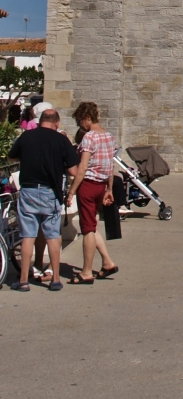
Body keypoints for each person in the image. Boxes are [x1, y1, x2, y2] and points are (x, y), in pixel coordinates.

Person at [7, 106, 78, 291]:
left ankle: (23, 280)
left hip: (29, 189)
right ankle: (55, 279)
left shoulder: (26, 137)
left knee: (28, 236)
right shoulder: (61, 140)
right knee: (53, 235)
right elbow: (73, 170)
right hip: (50, 192)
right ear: (57, 122)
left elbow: (10, 157)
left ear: (39, 121)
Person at [65, 102, 118, 283]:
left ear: (87, 117)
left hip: (88, 185)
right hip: (101, 184)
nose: (80, 124)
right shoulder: (109, 137)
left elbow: (82, 168)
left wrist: (71, 192)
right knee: (92, 225)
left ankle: (86, 272)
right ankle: (107, 262)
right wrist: (109, 189)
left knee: (87, 229)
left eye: (80, 120)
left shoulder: (89, 137)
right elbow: (110, 165)